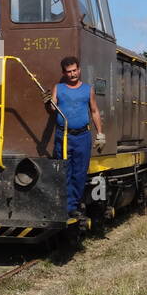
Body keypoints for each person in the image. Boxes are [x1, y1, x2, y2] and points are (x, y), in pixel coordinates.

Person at [43, 56, 105, 218]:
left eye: (75, 70)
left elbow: (94, 111)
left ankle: (73, 205)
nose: (72, 74)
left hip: (83, 137)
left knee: (79, 173)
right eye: (69, 72)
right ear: (64, 73)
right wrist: (47, 103)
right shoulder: (58, 88)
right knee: (65, 171)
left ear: (79, 70)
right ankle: (67, 206)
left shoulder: (88, 89)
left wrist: (100, 134)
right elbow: (52, 108)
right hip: (63, 136)